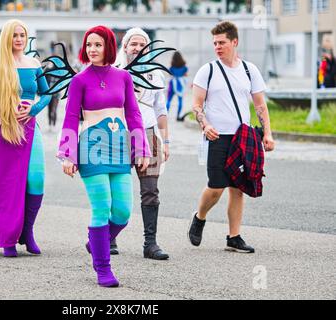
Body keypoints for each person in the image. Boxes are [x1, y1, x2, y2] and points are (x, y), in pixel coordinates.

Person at [57, 25, 151, 287]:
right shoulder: (79, 80)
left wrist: (141, 147)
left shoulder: (123, 77)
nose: (92, 49)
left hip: (120, 147)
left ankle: (96, 241)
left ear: (108, 46)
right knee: (101, 208)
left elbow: (133, 114)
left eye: (97, 44)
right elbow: (71, 117)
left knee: (122, 212)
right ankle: (103, 268)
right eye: (89, 45)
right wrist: (68, 154)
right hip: (92, 149)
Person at [188, 21, 275, 253]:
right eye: (215, 43)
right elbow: (196, 106)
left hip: (242, 137)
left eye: (222, 42)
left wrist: (268, 133)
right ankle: (200, 216)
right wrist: (204, 124)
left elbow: (260, 106)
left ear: (234, 42)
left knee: (238, 188)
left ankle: (233, 237)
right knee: (216, 188)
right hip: (217, 137)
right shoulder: (208, 70)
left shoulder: (249, 70)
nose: (217, 46)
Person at [0, 19, 52, 258]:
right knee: (6, 185)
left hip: (29, 128)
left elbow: (48, 94)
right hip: (3, 129)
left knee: (36, 179)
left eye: (22, 35)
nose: (19, 39)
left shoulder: (34, 63)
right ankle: (8, 238)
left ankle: (27, 232)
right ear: (7, 38)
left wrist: (34, 108)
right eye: (14, 35)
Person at [113, 27, 170, 260]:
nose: (137, 48)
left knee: (150, 190)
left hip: (147, 134)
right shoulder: (114, 71)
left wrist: (165, 141)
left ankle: (150, 243)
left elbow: (161, 110)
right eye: (133, 44)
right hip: (119, 134)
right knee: (116, 188)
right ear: (124, 47)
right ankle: (108, 238)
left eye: (141, 44)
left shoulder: (156, 74)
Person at [166, 51, 188, 121]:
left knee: (169, 100)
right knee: (180, 101)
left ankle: (165, 115)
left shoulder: (171, 67)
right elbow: (185, 75)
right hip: (180, 84)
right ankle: (178, 116)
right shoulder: (184, 67)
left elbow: (170, 74)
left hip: (172, 83)